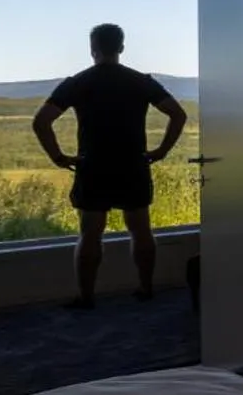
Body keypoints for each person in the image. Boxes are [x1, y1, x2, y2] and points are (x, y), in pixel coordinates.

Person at [32, 23, 189, 308]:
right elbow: (178, 114)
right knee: (141, 230)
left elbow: (41, 121)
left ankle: (87, 297)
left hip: (93, 166)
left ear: (93, 49)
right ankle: (146, 288)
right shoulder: (140, 81)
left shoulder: (78, 82)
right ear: (121, 47)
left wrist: (58, 157)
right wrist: (162, 150)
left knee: (90, 233)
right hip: (133, 164)